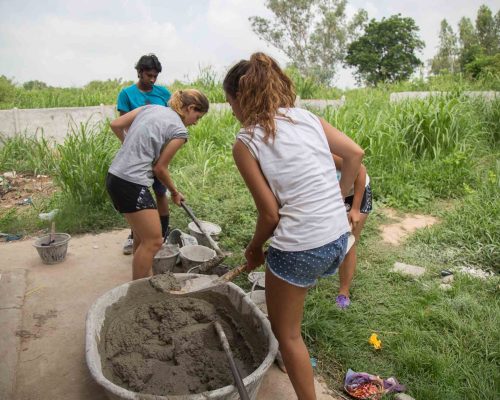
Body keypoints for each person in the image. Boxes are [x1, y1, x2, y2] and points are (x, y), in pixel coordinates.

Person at [223, 52, 364, 400]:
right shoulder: (306, 118)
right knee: (292, 311)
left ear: (241, 98)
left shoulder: (245, 142)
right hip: (338, 240)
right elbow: (355, 155)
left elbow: (270, 216)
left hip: (303, 247)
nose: (232, 113)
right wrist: (338, 196)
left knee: (287, 334)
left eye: (230, 104)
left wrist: (254, 249)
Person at [106, 89, 209, 280]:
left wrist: (130, 145)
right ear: (191, 108)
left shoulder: (150, 108)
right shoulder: (179, 130)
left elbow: (115, 124)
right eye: (198, 116)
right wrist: (175, 192)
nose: (196, 122)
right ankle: (138, 294)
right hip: (131, 182)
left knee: (142, 238)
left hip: (115, 176)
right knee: (154, 241)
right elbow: (160, 169)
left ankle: (148, 279)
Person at [116, 54, 172, 255]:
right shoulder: (127, 94)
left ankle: (163, 236)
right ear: (139, 72)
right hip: (137, 157)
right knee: (137, 200)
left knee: (160, 192)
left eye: (155, 76)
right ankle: (135, 237)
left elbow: (169, 122)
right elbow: (123, 126)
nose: (152, 79)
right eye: (149, 75)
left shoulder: (164, 94)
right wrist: (130, 147)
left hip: (158, 153)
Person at [334, 156, 372, 309]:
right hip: (332, 197)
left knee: (348, 242)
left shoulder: (322, 149)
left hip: (355, 193)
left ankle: (344, 293)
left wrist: (355, 208)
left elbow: (360, 170)